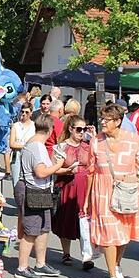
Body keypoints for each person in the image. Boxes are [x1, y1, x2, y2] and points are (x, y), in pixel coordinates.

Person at [83, 103, 139, 278]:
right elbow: (90, 171)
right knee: (109, 236)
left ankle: (116, 265)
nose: (103, 122)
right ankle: (112, 277)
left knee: (123, 234)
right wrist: (87, 199)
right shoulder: (96, 141)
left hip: (127, 192)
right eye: (102, 119)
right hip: (102, 192)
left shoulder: (133, 140)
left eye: (107, 120)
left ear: (118, 121)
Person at [13, 114, 64, 278]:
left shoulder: (35, 144)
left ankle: (40, 264)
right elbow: (41, 172)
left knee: (43, 227)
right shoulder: (36, 147)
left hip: (39, 190)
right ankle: (22, 267)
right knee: (31, 230)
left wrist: (62, 167)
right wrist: (58, 165)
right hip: (32, 189)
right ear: (50, 130)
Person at [53, 114, 94, 270]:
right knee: (67, 220)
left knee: (85, 221)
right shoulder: (62, 147)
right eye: (79, 129)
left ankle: (86, 256)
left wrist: (94, 137)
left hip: (85, 186)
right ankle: (66, 253)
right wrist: (67, 170)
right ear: (71, 129)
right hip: (68, 186)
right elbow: (54, 168)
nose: (82, 132)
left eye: (84, 129)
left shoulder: (88, 146)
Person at [9, 104, 35, 195]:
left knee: (28, 180)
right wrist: (25, 146)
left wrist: (22, 146)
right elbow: (12, 144)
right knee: (16, 181)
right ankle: (18, 201)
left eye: (27, 112)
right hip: (16, 155)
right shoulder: (15, 126)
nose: (24, 114)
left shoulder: (34, 126)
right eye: (22, 111)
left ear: (31, 113)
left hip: (29, 156)